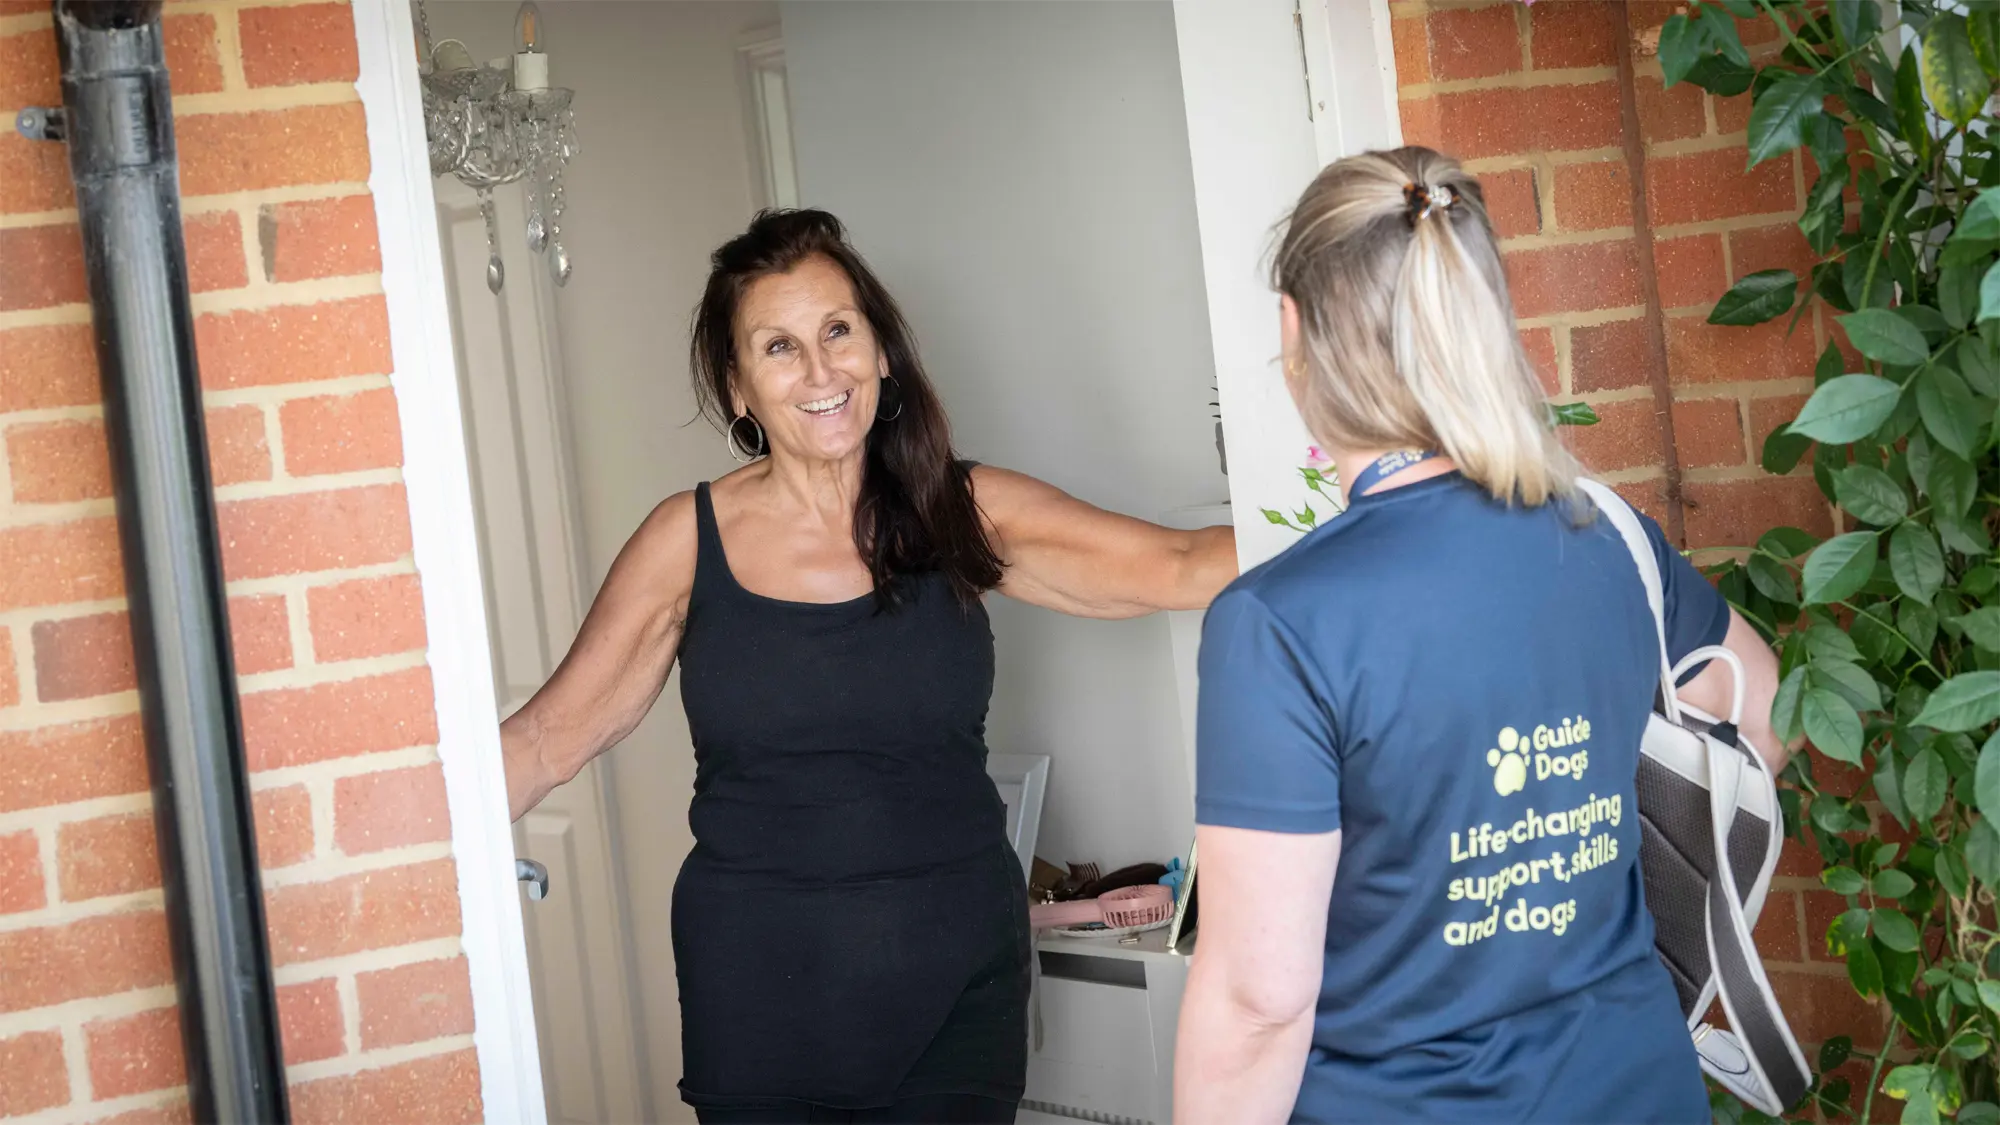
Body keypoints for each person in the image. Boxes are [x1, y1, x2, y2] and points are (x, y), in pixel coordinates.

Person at [501, 208, 1236, 1125]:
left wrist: (1397, 516)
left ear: (881, 349)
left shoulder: (959, 510)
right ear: (738, 389)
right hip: (761, 994)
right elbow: (543, 739)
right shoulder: (685, 545)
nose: (820, 372)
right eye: (779, 347)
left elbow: (1179, 566)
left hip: (957, 986)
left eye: (838, 331)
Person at [1172, 146, 1788, 1124]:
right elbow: (1759, 721)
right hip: (1638, 1091)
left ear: (1293, 330)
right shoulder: (1610, 539)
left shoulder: (1279, 624)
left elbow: (1257, 1002)